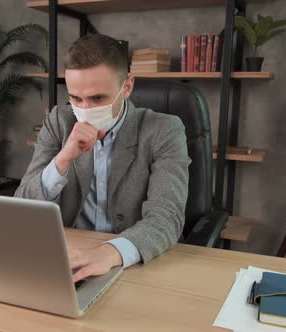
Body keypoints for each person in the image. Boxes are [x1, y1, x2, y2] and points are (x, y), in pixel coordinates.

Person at [15, 34, 190, 282]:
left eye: (98, 98)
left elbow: (166, 218)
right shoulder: (58, 121)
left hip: (136, 261)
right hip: (71, 255)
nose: (85, 109)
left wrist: (109, 253)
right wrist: (63, 159)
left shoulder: (164, 130)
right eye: (76, 98)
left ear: (127, 86)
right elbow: (23, 205)